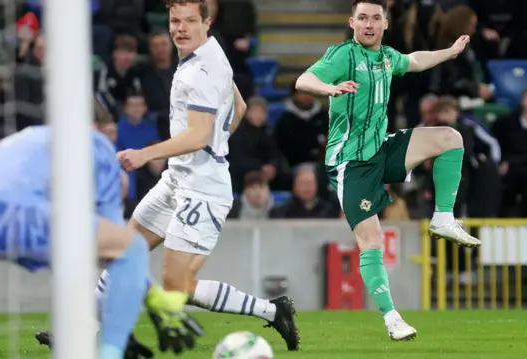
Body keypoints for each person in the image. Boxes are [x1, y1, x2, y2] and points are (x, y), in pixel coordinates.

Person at [0, 104, 202, 359]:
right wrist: (152, 298)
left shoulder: (27, 137)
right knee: (131, 248)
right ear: (96, 128)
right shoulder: (94, 146)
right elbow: (114, 247)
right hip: (11, 212)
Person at [112, 0, 299, 351]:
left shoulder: (203, 71)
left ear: (207, 22)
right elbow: (239, 108)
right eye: (174, 20)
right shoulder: (206, 56)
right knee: (125, 250)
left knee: (177, 286)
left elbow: (198, 135)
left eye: (189, 21)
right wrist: (215, 145)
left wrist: (145, 154)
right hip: (179, 177)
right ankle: (89, 334)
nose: (180, 28)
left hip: (201, 188)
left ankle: (272, 311)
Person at [294, 0, 481, 341]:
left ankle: (442, 217)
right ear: (352, 22)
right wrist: (328, 88)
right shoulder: (342, 55)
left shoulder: (386, 57)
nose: (368, 24)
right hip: (351, 164)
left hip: (382, 147)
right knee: (371, 240)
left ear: (385, 23)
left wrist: (449, 52)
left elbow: (414, 61)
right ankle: (392, 318)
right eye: (362, 18)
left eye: (375, 18)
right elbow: (304, 80)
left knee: (450, 138)